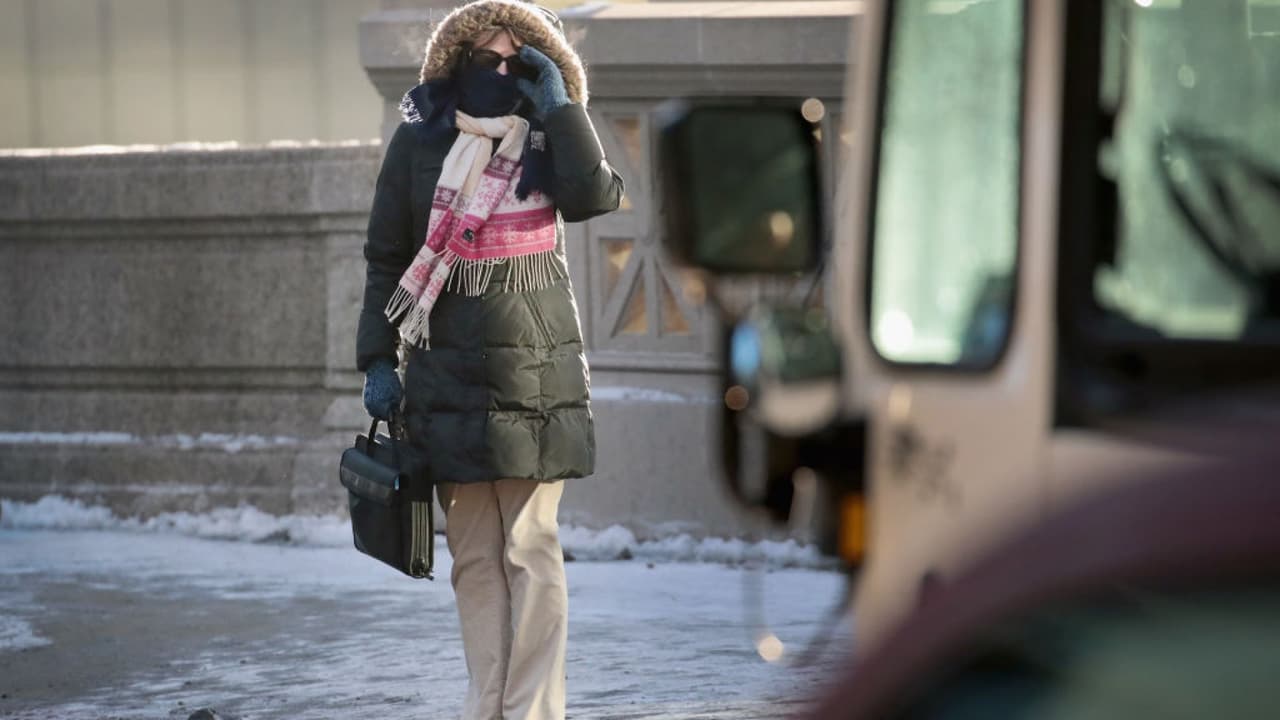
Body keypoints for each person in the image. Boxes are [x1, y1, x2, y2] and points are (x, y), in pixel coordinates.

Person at [353, 1, 623, 718]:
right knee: (474, 559)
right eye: (486, 60)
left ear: (538, 69)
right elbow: (386, 257)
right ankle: (488, 704)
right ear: (456, 63)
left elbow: (597, 196)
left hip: (537, 371)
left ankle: (532, 711)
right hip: (444, 375)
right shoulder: (418, 143)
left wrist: (560, 106)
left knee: (530, 551)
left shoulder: (548, 136)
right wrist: (378, 359)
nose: (500, 73)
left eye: (518, 63)